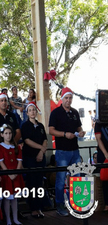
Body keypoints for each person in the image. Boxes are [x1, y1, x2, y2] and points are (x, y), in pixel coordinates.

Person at [49, 87, 85, 216]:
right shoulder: (56, 112)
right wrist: (64, 134)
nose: (68, 100)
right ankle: (60, 205)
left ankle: (76, 204)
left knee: (77, 178)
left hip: (74, 150)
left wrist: (81, 132)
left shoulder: (75, 112)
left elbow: (79, 126)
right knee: (60, 179)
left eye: (70, 98)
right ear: (62, 99)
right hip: (62, 151)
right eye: (66, 98)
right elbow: (51, 130)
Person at [20, 102, 47, 218]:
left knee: (39, 183)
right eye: (30, 110)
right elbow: (27, 141)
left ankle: (40, 207)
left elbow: (45, 140)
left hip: (41, 158)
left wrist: (41, 151)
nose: (32, 112)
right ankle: (33, 208)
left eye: (34, 110)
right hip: (30, 158)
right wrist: (41, 148)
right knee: (32, 184)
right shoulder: (25, 126)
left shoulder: (41, 126)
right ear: (27, 113)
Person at [0, 124, 24, 225]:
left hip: (16, 174)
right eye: (6, 133)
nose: (8, 135)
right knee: (7, 199)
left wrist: (16, 173)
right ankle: (8, 219)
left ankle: (15, 218)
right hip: (6, 175)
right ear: (2, 135)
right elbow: (1, 162)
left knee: (14, 198)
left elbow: (19, 161)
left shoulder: (16, 147)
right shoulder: (0, 147)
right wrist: (9, 174)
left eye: (10, 133)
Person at [94, 121, 108, 212]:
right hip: (103, 155)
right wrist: (106, 153)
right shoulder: (99, 123)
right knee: (106, 180)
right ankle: (107, 204)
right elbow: (98, 139)